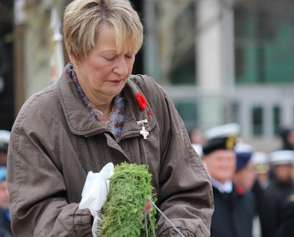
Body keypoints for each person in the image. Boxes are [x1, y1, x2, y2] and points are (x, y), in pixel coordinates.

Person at [7, 1, 213, 236]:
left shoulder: (152, 99)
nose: (122, 69)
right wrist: (93, 218)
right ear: (75, 53)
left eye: (129, 55)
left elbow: (189, 191)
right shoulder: (37, 119)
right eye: (110, 57)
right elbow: (33, 217)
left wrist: (179, 231)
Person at [202, 123, 239, 237]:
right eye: (219, 159)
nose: (225, 164)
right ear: (205, 161)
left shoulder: (245, 197)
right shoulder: (201, 197)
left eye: (229, 159)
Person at [259, 150, 294, 237]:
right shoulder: (269, 193)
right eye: (280, 168)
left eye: (286, 168)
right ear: (275, 170)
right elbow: (267, 225)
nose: (283, 171)